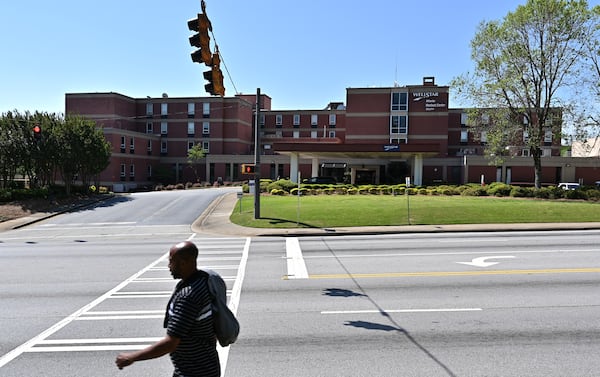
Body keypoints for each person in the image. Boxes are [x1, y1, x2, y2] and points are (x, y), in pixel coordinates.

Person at [116, 241, 220, 377]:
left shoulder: (188, 297)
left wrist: (132, 357)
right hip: (200, 367)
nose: (169, 266)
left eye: (171, 261)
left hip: (195, 372)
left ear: (183, 263)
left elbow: (170, 343)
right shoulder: (202, 280)